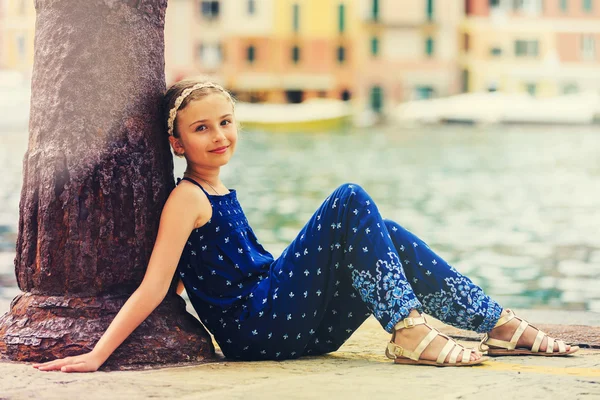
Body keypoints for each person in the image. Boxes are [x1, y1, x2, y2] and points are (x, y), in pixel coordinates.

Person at [32, 79, 579, 372]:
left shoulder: (217, 190)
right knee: (349, 199)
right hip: (258, 328)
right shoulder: (186, 196)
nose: (219, 135)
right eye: (201, 129)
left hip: (287, 324)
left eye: (225, 122)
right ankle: (410, 329)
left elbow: (194, 274)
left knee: (386, 232)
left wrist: (192, 285)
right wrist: (97, 354)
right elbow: (156, 283)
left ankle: (494, 324)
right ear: (177, 143)